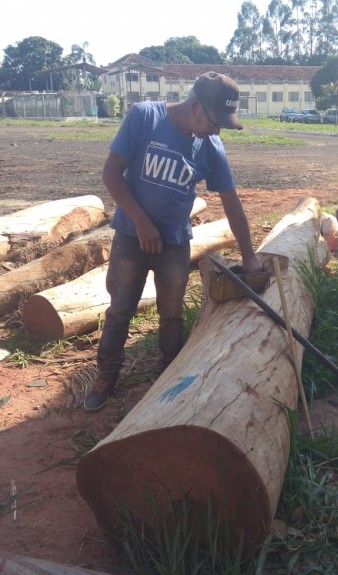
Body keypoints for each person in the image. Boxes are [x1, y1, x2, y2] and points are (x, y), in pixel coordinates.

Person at [84, 72, 263, 412]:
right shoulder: (144, 117)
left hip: (174, 245)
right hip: (130, 238)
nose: (217, 130)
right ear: (196, 106)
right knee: (120, 311)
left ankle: (168, 376)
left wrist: (250, 256)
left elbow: (232, 204)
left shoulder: (210, 145)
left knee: (172, 315)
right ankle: (106, 376)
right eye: (215, 122)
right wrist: (141, 221)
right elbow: (111, 173)